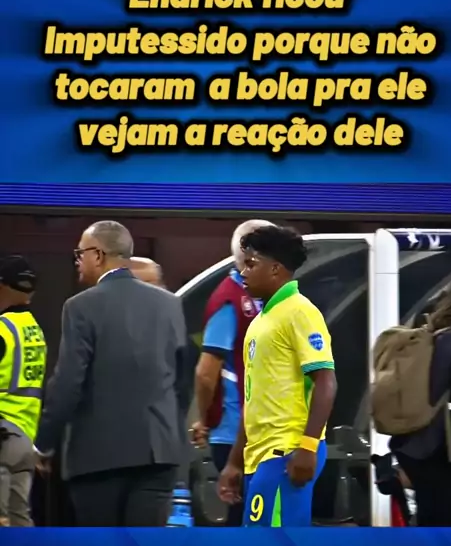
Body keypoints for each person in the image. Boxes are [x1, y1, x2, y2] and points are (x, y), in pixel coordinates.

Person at [34, 221, 188, 527]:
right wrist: (170, 427)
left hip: (98, 458)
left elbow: (68, 382)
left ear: (98, 255)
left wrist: (44, 443)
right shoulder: (170, 304)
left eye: (80, 254)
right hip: (159, 454)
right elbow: (183, 380)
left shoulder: (80, 307)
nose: (77, 261)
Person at [217, 226, 337, 527]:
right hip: (259, 455)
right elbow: (253, 398)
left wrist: (308, 447)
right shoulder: (261, 320)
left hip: (287, 451)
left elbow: (326, 381)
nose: (243, 272)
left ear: (275, 269)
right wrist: (235, 461)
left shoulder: (300, 312)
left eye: (251, 264)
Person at [192, 219, 274, 526]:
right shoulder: (228, 300)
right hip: (233, 433)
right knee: (245, 519)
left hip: (265, 430)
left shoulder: (266, 298)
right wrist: (205, 419)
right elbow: (205, 373)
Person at [391, 272, 451, 526]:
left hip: (414, 442)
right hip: (440, 447)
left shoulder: (436, 335)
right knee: (446, 522)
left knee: (434, 518)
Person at [0, 256, 47, 526]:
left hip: (2, 436)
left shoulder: (2, 328)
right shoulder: (34, 331)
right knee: (20, 520)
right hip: (26, 439)